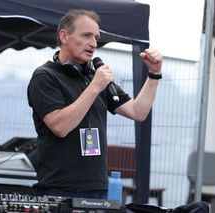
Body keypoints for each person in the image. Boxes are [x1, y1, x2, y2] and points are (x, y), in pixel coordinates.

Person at [27, 9, 162, 199]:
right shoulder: (45, 76)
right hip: (59, 188)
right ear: (64, 36)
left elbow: (138, 112)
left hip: (97, 187)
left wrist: (154, 74)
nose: (93, 44)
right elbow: (60, 126)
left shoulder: (95, 76)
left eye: (96, 37)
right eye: (86, 35)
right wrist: (94, 87)